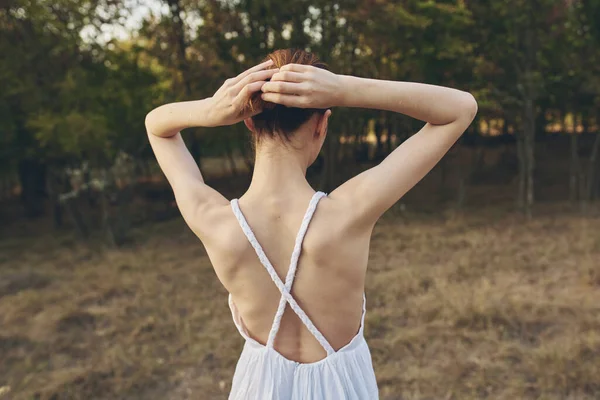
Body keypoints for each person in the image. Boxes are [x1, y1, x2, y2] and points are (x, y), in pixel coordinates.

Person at [145, 48, 477, 400]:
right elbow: (460, 109)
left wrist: (211, 110)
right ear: (322, 124)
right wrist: (346, 89)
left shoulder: (212, 219)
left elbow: (158, 127)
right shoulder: (350, 211)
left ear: (247, 121)